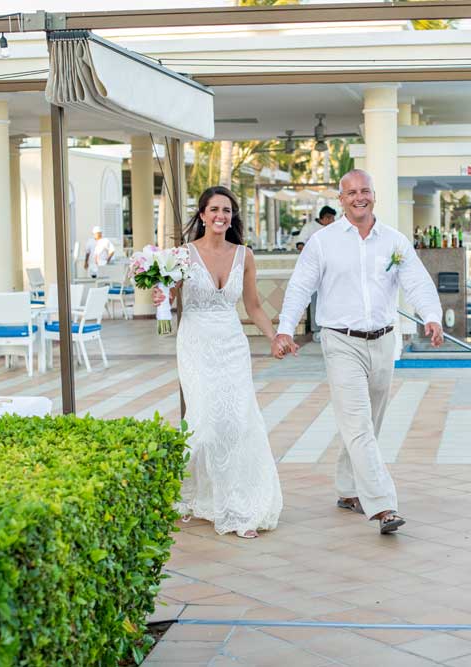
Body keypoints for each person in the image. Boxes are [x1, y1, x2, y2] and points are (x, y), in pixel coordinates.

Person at [272, 169, 444, 535]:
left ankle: (348, 488)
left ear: (374, 195)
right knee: (358, 423)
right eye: (351, 193)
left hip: (383, 340)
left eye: (365, 190)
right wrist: (285, 328)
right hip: (341, 341)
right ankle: (383, 505)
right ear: (341, 199)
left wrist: (432, 317)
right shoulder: (323, 242)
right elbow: (300, 287)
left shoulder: (394, 242)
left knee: (370, 423)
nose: (359, 197)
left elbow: (416, 282)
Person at [152, 186, 285, 539]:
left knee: (237, 422)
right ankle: (198, 493)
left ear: (232, 216)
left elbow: (254, 307)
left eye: (226, 210)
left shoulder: (245, 255)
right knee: (207, 425)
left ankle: (237, 506)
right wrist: (160, 293)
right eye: (214, 209)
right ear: (202, 214)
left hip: (232, 346)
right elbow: (169, 296)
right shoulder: (183, 255)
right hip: (196, 345)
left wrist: (274, 337)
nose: (220, 216)